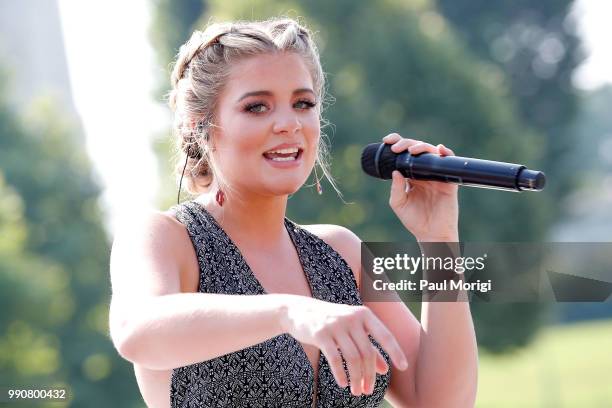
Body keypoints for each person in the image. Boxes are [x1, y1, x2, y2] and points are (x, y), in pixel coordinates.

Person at [109, 17, 478, 408]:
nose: (288, 124)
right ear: (203, 125)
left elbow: (441, 402)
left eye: (303, 103)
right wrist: (288, 312)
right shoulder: (165, 237)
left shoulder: (340, 254)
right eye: (257, 107)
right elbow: (136, 330)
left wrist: (439, 238)